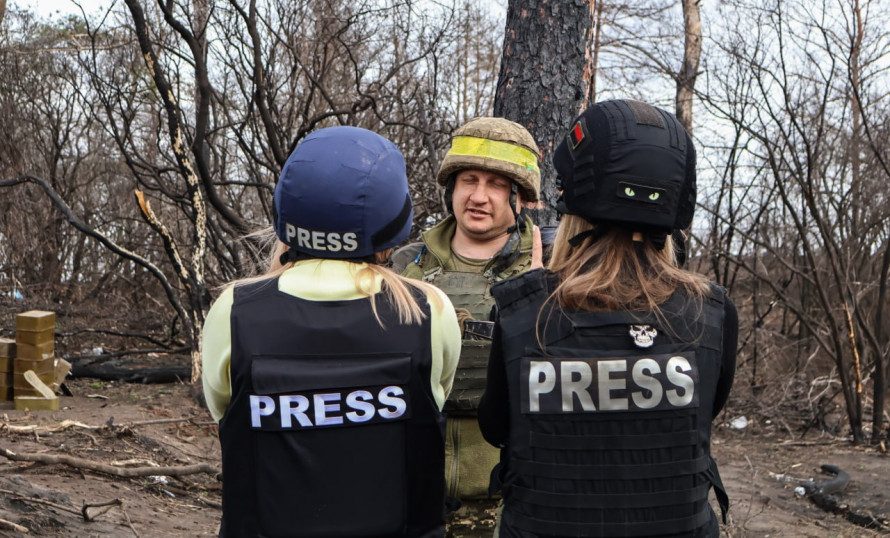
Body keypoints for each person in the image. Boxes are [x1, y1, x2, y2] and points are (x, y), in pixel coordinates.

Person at [478, 99, 738, 537]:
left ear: (573, 198)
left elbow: (496, 427)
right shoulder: (712, 312)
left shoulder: (522, 310)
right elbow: (699, 416)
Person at [202, 126, 462, 538]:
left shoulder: (234, 311)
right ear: (392, 219)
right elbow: (435, 397)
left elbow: (225, 412)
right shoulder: (428, 311)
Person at [393, 117, 542, 522]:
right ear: (451, 188)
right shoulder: (405, 266)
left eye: (496, 184)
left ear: (520, 197)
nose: (478, 196)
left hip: (510, 502)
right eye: (468, 180)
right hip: (415, 496)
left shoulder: (549, 270)